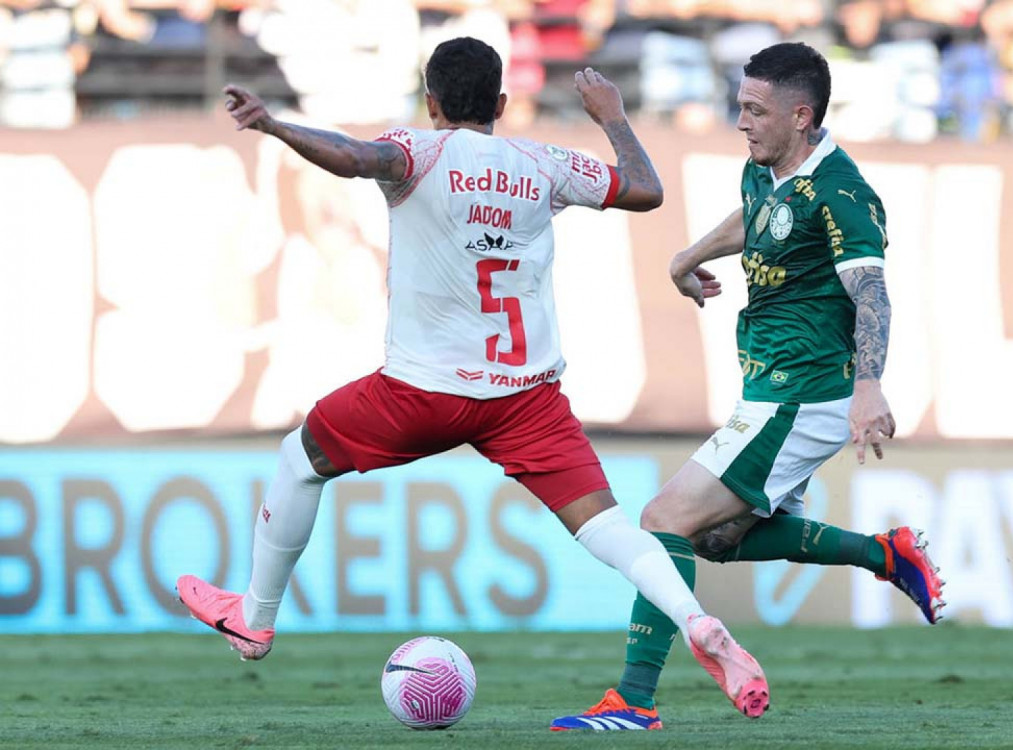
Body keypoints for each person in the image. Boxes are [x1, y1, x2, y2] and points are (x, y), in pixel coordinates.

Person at [176, 36, 769, 721]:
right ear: (502, 104)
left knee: (299, 459)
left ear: (430, 103)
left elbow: (354, 158)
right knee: (606, 524)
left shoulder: (418, 152)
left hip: (421, 392)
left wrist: (276, 125)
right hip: (525, 399)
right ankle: (695, 620)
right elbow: (645, 190)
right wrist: (610, 115)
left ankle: (255, 615)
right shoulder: (543, 163)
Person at [551, 41, 946, 732]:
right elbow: (756, 216)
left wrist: (870, 385)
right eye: (740, 106)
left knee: (662, 521)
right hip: (766, 389)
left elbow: (872, 291)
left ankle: (634, 702)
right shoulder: (765, 167)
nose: (741, 121)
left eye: (754, 110)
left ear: (801, 115)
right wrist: (689, 254)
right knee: (716, 539)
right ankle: (886, 554)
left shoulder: (842, 191)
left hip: (804, 395)